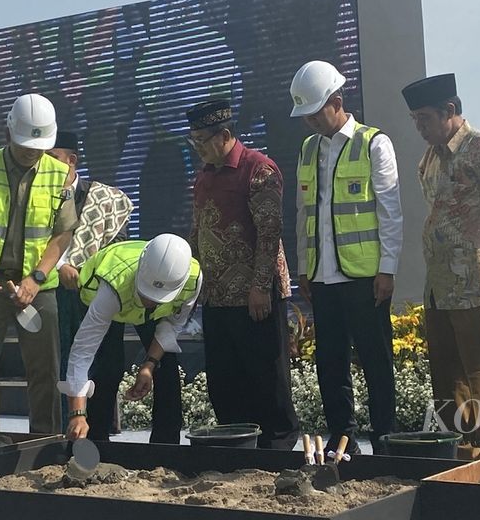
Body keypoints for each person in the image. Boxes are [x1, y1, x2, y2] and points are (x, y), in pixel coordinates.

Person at [402, 73, 480, 459]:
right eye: (415, 120)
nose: (420, 128)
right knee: (447, 374)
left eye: (424, 118)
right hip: (440, 286)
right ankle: (458, 449)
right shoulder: (429, 160)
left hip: (478, 283)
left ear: (450, 111)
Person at [290, 60, 403, 454]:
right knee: (330, 364)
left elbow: (390, 212)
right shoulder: (308, 149)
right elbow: (305, 213)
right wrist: (305, 268)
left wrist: (387, 269)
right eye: (304, 116)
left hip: (364, 276)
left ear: (337, 102)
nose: (310, 123)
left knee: (375, 361)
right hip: (323, 278)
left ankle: (385, 439)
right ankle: (344, 440)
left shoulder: (374, 143)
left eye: (315, 113)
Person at [0, 93, 78, 435]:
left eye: (38, 147)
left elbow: (62, 233)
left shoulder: (59, 174)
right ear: (8, 133)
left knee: (44, 373)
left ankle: (45, 445)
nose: (31, 152)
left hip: (37, 288)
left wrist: (37, 278)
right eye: (25, 145)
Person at [186, 100, 299, 449]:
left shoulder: (258, 169)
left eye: (203, 140)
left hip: (256, 297)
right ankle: (237, 443)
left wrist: (260, 286)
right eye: (193, 142)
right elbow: (197, 230)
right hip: (217, 296)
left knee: (266, 376)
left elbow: (269, 232)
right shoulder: (204, 176)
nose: (199, 148)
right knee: (224, 380)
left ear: (225, 135)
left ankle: (277, 447)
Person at [60, 234, 201, 443]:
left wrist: (149, 365)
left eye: (156, 297)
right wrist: (77, 414)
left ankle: (166, 448)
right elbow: (82, 352)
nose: (149, 301)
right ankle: (95, 441)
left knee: (167, 366)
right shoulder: (111, 287)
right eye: (147, 293)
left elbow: (172, 325)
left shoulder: (192, 279)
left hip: (154, 315)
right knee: (108, 368)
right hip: (112, 296)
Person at [45, 130, 133, 432]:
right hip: (54, 295)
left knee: (106, 366)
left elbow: (118, 248)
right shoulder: (36, 198)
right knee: (61, 364)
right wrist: (60, 266)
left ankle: (100, 437)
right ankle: (63, 436)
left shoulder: (106, 199)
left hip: (99, 294)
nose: (47, 166)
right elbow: (29, 245)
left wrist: (87, 272)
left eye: (53, 159)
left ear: (72, 160)